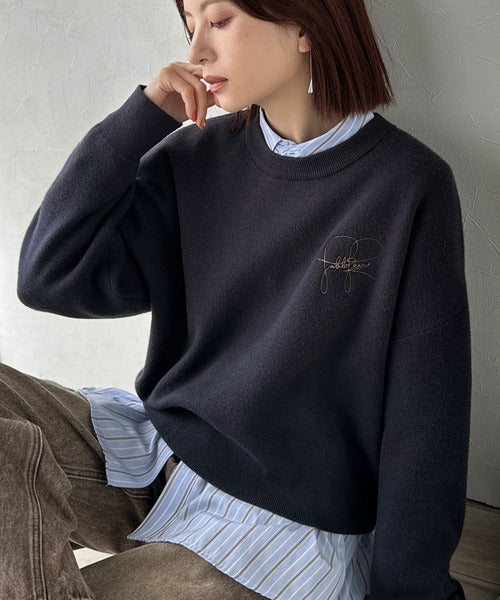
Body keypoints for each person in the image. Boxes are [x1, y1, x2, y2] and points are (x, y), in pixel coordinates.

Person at [2, 0, 471, 598]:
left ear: (304, 25)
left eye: (219, 21)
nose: (196, 51)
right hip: (158, 458)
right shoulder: (194, 155)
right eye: (190, 24)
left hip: (279, 531)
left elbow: (425, 420)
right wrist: (141, 119)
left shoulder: (406, 186)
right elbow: (49, 274)